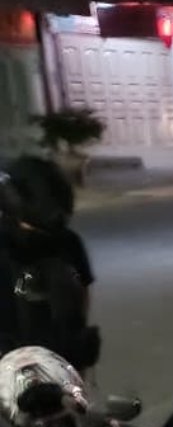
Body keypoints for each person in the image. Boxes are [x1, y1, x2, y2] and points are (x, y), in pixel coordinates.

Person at [0, 155, 99, 370]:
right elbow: (82, 298)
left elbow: (81, 298)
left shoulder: (68, 243)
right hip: (56, 361)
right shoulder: (69, 242)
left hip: (37, 361)